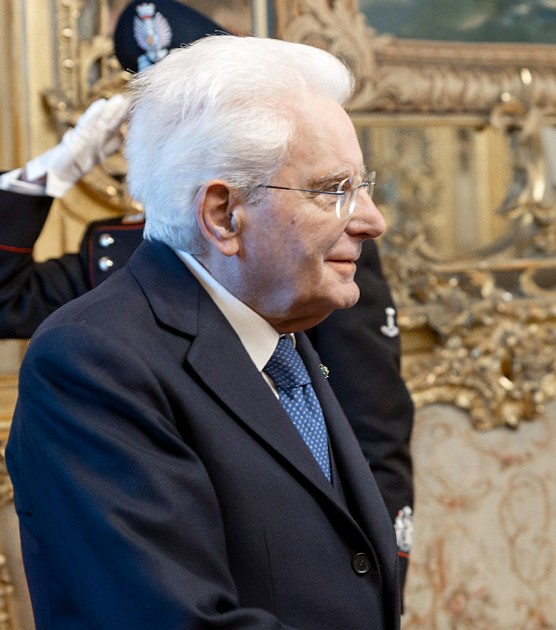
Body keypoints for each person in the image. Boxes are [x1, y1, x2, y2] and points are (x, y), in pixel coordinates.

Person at [1, 0, 416, 602]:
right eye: (332, 190)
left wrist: (382, 578)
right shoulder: (91, 356)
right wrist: (49, 174)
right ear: (221, 213)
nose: (371, 220)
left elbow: (372, 422)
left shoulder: (284, 311)